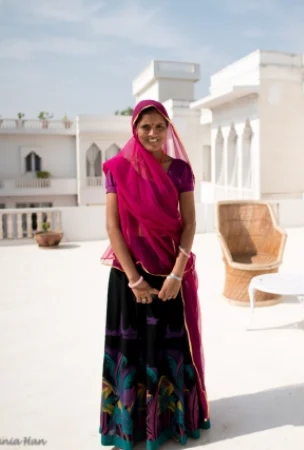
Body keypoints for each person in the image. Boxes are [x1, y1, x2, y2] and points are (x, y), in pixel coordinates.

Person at [98, 99, 210, 450]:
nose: (152, 133)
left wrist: (177, 274)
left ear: (168, 129)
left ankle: (172, 423)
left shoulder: (179, 171)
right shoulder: (118, 168)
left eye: (159, 126)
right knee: (131, 351)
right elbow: (113, 228)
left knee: (170, 349)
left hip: (168, 276)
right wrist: (134, 279)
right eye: (145, 126)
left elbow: (189, 223)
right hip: (128, 276)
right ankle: (131, 428)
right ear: (135, 129)